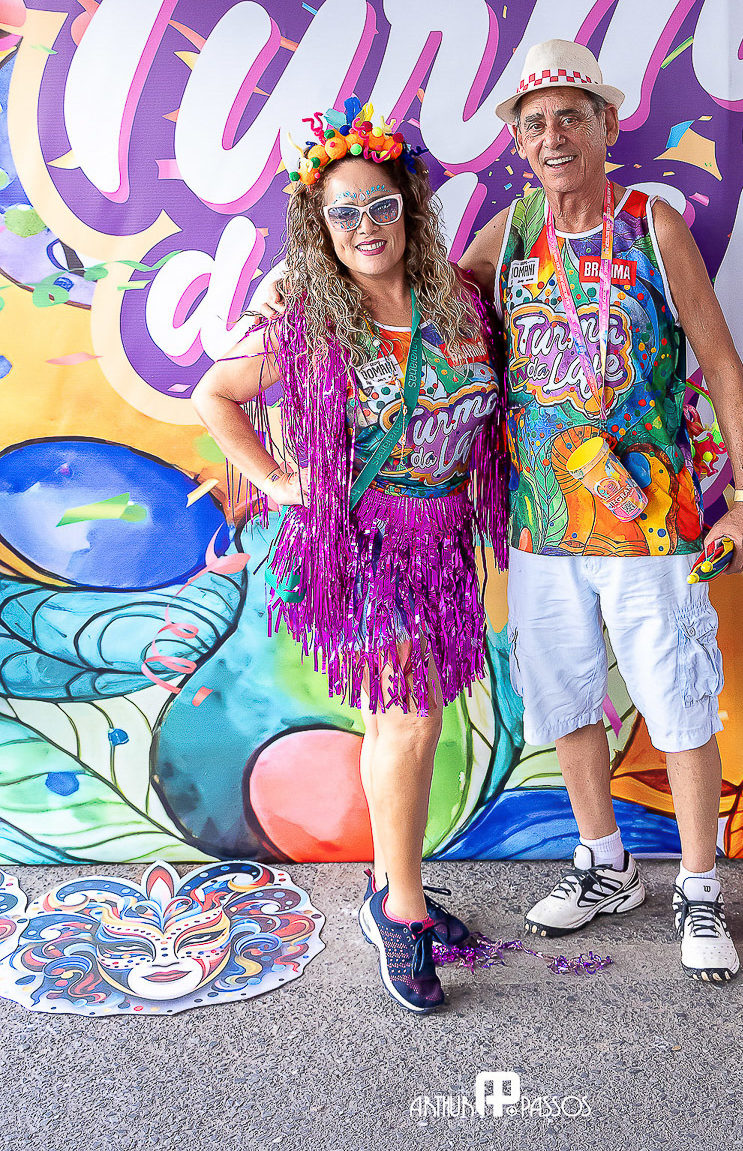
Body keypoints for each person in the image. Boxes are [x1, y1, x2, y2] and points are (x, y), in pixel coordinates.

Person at [458, 40, 743, 985]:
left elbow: (720, 363)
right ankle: (605, 865)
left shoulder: (651, 226)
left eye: (571, 116)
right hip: (544, 523)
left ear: (607, 125)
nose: (553, 136)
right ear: (519, 141)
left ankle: (700, 888)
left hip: (652, 524)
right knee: (563, 696)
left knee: (678, 699)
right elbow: (434, 318)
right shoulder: (508, 236)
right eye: (534, 123)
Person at [192, 98, 507, 1016]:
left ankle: (385, 886)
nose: (366, 227)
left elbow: (517, 241)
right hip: (367, 545)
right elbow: (216, 394)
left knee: (398, 726)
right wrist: (277, 480)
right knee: (409, 725)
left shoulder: (458, 299)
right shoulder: (313, 317)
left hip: (442, 542)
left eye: (380, 205)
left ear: (409, 206)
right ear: (319, 228)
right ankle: (402, 913)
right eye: (343, 214)